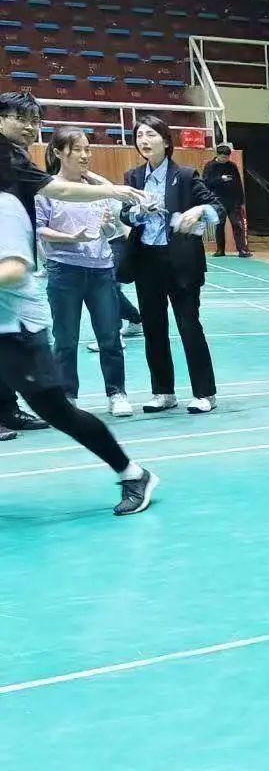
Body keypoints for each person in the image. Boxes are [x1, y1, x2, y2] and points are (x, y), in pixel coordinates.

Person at [0, 91, 146, 442]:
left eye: (35, 121)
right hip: (49, 267)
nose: (30, 128)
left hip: (84, 268)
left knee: (9, 337)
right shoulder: (6, 155)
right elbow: (58, 191)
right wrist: (115, 191)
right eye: (22, 119)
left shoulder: (14, 156)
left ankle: (7, 409)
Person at [0, 190, 157, 513]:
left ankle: (133, 474)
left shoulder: (5, 207)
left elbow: (13, 268)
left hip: (16, 333)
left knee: (58, 412)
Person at [121, 115, 222, 414]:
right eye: (139, 135)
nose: (144, 140)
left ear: (166, 141)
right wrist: (138, 212)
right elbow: (125, 214)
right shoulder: (133, 177)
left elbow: (217, 207)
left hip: (181, 262)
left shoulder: (186, 175)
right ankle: (163, 392)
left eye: (150, 134)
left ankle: (205, 393)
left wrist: (199, 211)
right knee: (153, 328)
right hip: (146, 260)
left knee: (189, 326)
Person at [34, 126, 131, 415]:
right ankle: (67, 396)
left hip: (101, 271)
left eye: (87, 149)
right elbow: (39, 229)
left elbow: (111, 230)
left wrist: (107, 226)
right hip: (64, 271)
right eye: (77, 149)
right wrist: (70, 238)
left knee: (110, 337)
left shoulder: (97, 188)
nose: (85, 155)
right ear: (58, 152)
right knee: (66, 339)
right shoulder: (47, 189)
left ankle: (117, 393)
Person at [202, 143, 249, 257]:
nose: (225, 159)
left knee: (237, 224)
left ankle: (242, 250)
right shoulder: (210, 166)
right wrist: (220, 179)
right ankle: (220, 249)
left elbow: (238, 183)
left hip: (233, 201)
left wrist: (241, 200)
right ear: (217, 155)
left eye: (227, 157)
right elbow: (206, 182)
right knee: (219, 225)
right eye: (223, 157)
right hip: (218, 200)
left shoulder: (232, 166)